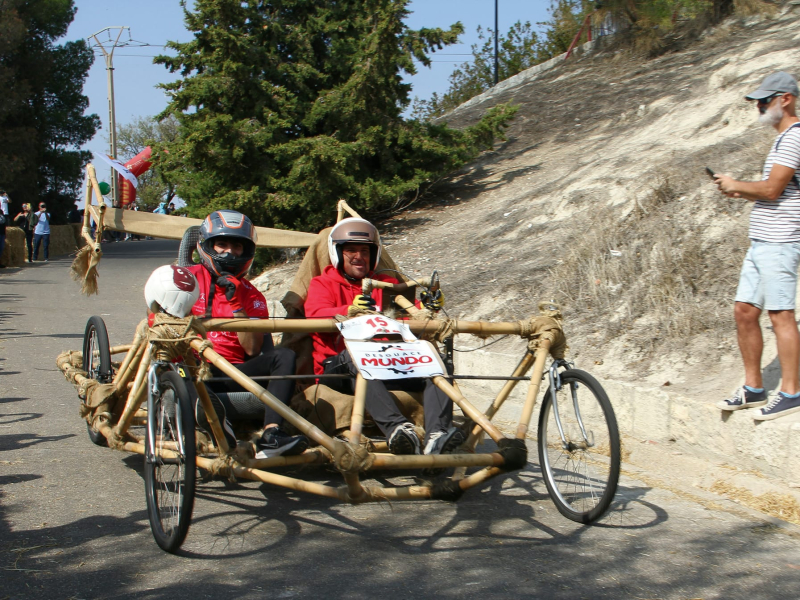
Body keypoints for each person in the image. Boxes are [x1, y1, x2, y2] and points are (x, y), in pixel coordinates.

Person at [304, 217, 463, 455]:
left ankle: (437, 435)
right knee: (356, 355)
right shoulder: (322, 284)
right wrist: (347, 311)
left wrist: (428, 307)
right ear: (338, 253)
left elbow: (410, 321)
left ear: (374, 255)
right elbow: (313, 316)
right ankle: (398, 429)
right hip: (339, 366)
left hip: (387, 363)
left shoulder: (387, 285)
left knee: (436, 360)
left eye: (365, 250)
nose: (359, 256)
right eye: (351, 250)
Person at [187, 209, 308, 457]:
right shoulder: (187, 279)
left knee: (284, 356)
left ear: (247, 251)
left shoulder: (252, 295)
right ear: (206, 245)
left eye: (237, 247)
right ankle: (217, 420)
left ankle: (272, 433)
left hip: (234, 371)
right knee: (185, 367)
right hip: (197, 366)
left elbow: (252, 349)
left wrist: (236, 303)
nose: (229, 252)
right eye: (221, 244)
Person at [715, 71, 800, 421]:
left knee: (781, 316)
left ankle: (792, 392)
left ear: (786, 99)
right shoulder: (782, 140)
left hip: (781, 241)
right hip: (763, 240)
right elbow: (769, 188)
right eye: (758, 102)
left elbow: (772, 190)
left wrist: (740, 184)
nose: (760, 107)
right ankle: (753, 388)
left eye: (765, 100)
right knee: (744, 311)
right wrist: (739, 189)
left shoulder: (795, 137)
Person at [0, 191, 7, 268]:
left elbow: (4, 224)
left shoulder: (2, 217)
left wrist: (5, 234)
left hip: (2, 233)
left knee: (1, 248)